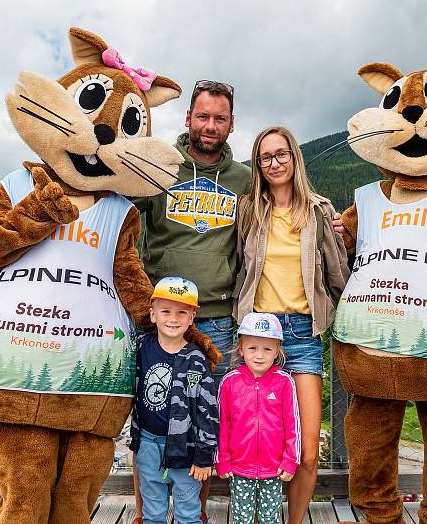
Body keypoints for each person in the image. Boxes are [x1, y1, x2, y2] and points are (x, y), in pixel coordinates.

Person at [130, 79, 251, 523]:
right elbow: (123, 210)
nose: (210, 125)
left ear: (232, 124)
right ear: (187, 119)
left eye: (220, 118)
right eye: (203, 116)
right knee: (148, 423)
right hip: (156, 318)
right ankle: (148, 516)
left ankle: (192, 515)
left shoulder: (244, 179)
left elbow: (283, 207)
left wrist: (331, 219)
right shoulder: (162, 166)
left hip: (216, 318)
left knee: (200, 424)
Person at [234, 126, 350, 523]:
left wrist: (350, 235)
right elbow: (236, 265)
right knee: (257, 442)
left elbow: (338, 271)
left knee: (308, 450)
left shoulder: (319, 210)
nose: (274, 163)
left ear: (294, 157)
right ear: (258, 165)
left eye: (281, 154)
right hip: (256, 337)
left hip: (301, 335)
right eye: (265, 158)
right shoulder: (248, 209)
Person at [128, 277, 219, 524]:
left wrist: (204, 457)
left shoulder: (196, 360)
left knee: (189, 513)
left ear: (191, 318)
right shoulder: (140, 348)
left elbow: (208, 411)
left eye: (182, 313)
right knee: (153, 513)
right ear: (153, 314)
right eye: (165, 311)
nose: (173, 318)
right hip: (148, 445)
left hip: (186, 450)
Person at [216, 313, 300, 524]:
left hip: (274, 469)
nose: (259, 355)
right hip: (239, 468)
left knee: (270, 518)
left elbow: (293, 425)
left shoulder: (284, 382)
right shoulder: (229, 382)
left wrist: (290, 460)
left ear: (277, 351)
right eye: (253, 348)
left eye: (267, 349)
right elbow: (222, 424)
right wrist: (222, 459)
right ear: (241, 348)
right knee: (241, 518)